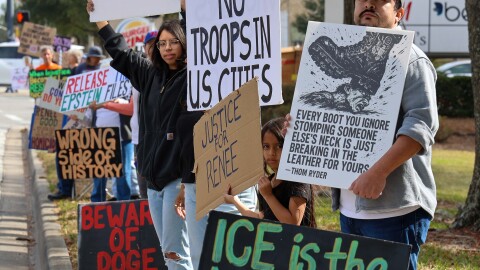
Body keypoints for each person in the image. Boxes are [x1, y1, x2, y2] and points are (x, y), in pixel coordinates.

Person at [285, 1, 438, 269]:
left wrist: (378, 172)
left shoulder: (413, 59)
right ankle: (358, 86)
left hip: (394, 209)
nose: (368, 3)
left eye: (380, 0)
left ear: (399, 13)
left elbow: (421, 126)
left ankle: (361, 82)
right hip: (349, 208)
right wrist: (301, 128)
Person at [87, 1, 193, 268]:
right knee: (167, 250)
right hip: (152, 179)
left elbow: (200, 39)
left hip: (177, 179)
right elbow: (120, 52)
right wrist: (100, 18)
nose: (167, 48)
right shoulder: (149, 75)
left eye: (173, 42)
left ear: (184, 44)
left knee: (176, 253)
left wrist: (185, 11)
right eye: (162, 43)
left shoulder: (192, 78)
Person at [224, 118, 317, 228]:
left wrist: (268, 195)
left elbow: (293, 223)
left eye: (279, 146)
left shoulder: (297, 180)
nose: (271, 153)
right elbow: (261, 218)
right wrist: (235, 201)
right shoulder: (268, 183)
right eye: (266, 146)